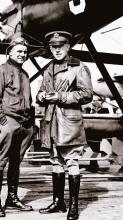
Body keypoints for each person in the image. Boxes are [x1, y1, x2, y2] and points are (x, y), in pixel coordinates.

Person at [36, 31, 93, 220]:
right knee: (55, 161)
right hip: (51, 121)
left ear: (68, 46)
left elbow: (86, 94)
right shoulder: (48, 68)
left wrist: (60, 96)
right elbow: (41, 91)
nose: (57, 49)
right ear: (50, 48)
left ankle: (74, 207)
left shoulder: (78, 67)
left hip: (68, 122)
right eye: (54, 46)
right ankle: (58, 202)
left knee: (72, 161)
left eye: (61, 45)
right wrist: (41, 96)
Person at [0, 35, 34, 217]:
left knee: (16, 161)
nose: (23, 54)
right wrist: (2, 120)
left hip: (24, 124)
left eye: (25, 52)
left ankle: (12, 199)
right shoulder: (1, 71)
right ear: (10, 51)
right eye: (19, 51)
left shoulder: (25, 74)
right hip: (8, 121)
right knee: (0, 162)